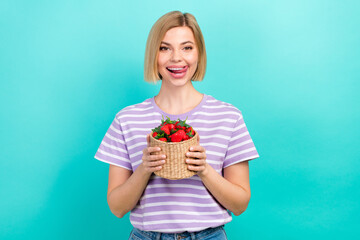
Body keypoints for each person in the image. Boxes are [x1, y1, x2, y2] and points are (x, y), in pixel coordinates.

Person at [94, 11, 259, 240]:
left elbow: (240, 204)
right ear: (154, 55)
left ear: (199, 53)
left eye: (187, 47)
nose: (176, 58)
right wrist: (145, 168)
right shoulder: (127, 119)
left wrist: (204, 170)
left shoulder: (229, 117)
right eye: (165, 48)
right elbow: (117, 207)